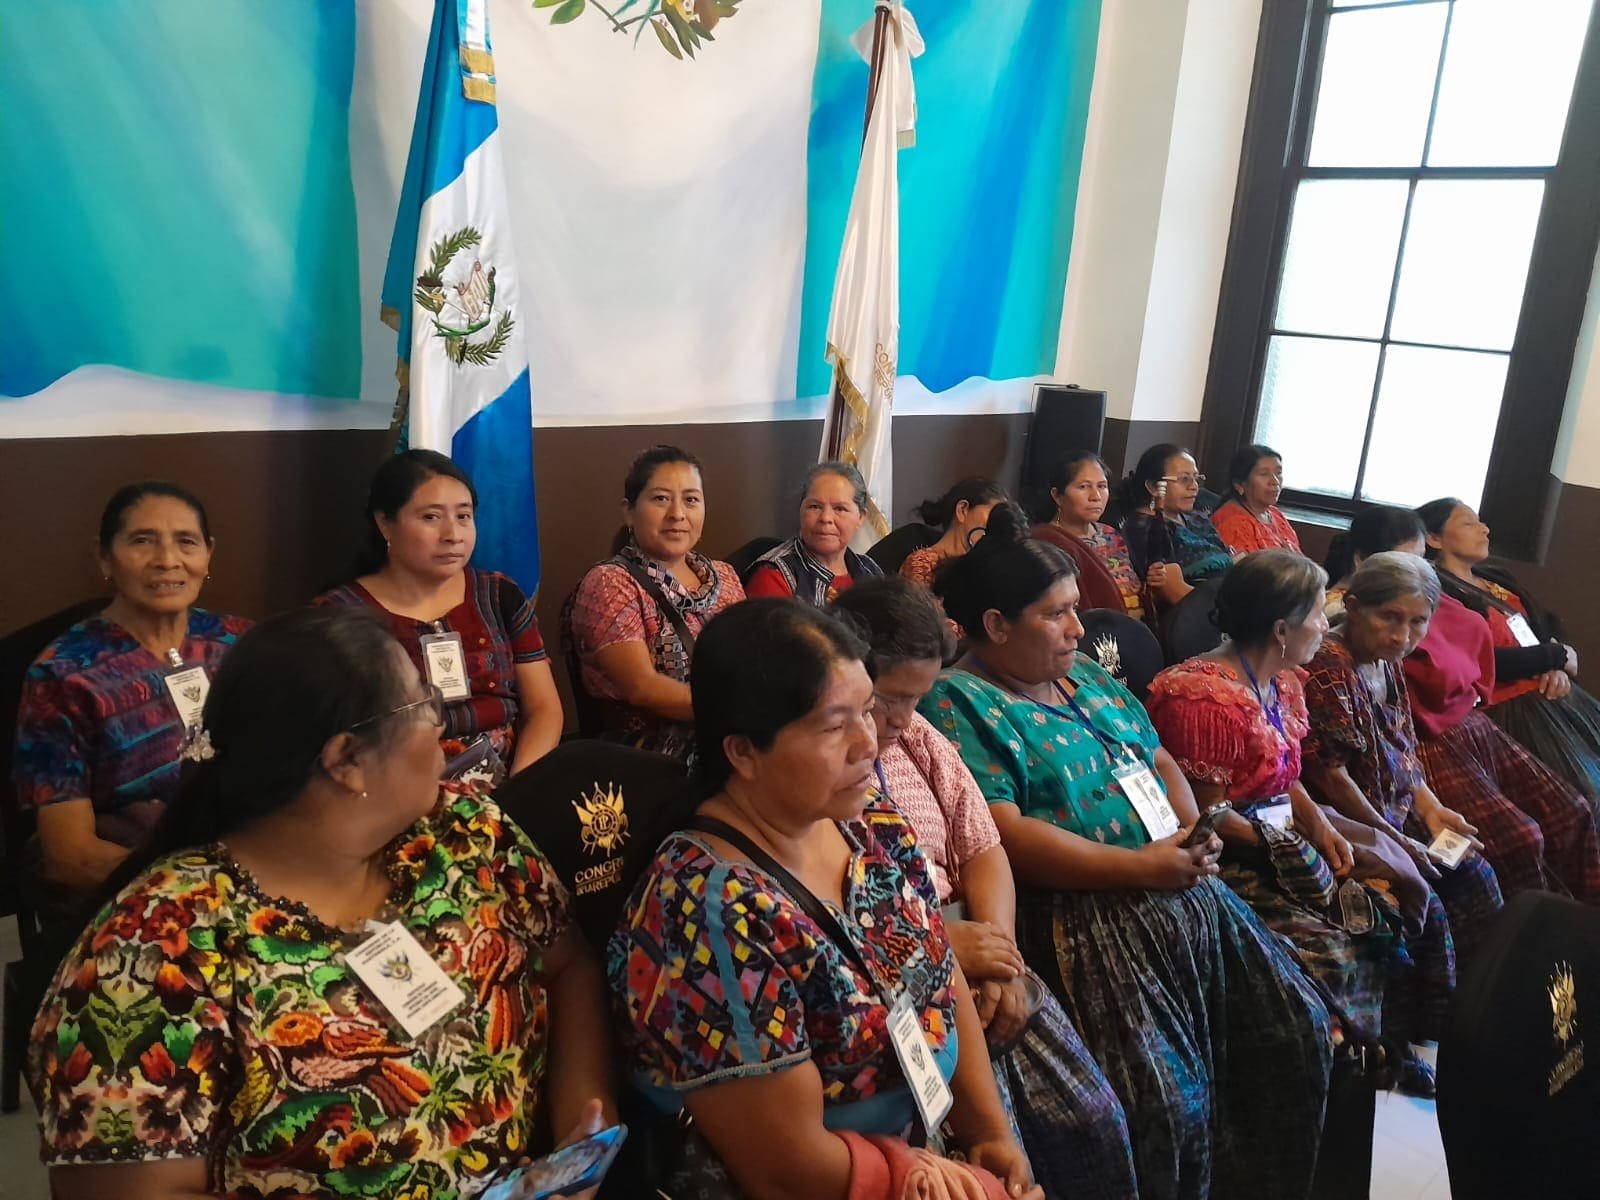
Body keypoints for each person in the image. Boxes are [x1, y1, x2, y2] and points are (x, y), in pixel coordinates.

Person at [28, 607, 615, 1199]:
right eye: (421, 706)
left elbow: (568, 966)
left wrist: (579, 1145)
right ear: (345, 759)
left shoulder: (463, 834)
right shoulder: (154, 951)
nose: (443, 722)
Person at [921, 506, 1332, 1200]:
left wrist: (1182, 831)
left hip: (1181, 883)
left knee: (1295, 1030)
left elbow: (1160, 757)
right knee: (1167, 1107)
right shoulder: (956, 703)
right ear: (995, 626)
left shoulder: (1087, 674)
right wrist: (1143, 865)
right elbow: (1004, 834)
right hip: (1091, 921)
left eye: (1076, 610)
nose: (1080, 630)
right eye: (1057, 615)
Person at [608, 599, 1040, 1200]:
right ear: (743, 752)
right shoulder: (710, 908)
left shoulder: (872, 825)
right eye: (836, 725)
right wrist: (925, 1175)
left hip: (916, 1145)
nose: (870, 743)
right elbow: (785, 1170)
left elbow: (939, 976)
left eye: (870, 710)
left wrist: (987, 1130)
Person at [832, 578, 1137, 1200]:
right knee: (1001, 1155)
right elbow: (832, 904)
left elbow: (984, 848)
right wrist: (943, 946)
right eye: (887, 699)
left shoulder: (920, 741)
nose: (899, 720)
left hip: (976, 944)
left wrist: (998, 954)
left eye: (916, 699)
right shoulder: (829, 768)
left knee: (1095, 1118)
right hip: (902, 971)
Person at [1146, 550, 1448, 1094]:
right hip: (1232, 858)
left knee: (1393, 894)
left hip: (1278, 835)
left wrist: (1323, 829)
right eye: (1317, 612)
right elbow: (1208, 818)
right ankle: (1330, 1060)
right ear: (1282, 629)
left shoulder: (1285, 682)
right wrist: (1292, 845)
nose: (1325, 623)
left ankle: (1386, 1043)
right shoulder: (1198, 696)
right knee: (1336, 938)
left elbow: (1286, 778)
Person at [14, 482, 250, 917]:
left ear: (208, 554)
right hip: (128, 897)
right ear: (105, 557)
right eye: (142, 541)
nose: (166, 560)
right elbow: (71, 858)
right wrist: (205, 885)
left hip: (241, 867)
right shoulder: (63, 675)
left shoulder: (238, 642)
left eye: (186, 542)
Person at [1300, 553, 1504, 976]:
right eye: (1389, 617)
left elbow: (1404, 747)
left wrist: (1430, 807)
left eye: (1417, 622)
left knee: (1476, 870)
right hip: (1346, 824)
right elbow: (1331, 778)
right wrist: (1395, 839)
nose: (1403, 636)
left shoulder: (1387, 661)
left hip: (1393, 813)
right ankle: (1430, 1026)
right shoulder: (1330, 668)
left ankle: (1482, 998)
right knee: (1440, 894)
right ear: (1354, 607)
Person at [317, 450, 562, 780]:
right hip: (396, 795)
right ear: (385, 523)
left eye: (464, 517)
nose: (453, 535)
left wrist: (519, 791)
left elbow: (544, 710)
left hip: (511, 784)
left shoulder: (499, 595)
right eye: (431, 517)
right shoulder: (338, 615)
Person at [1417, 497, 1600, 808]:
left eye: (1481, 521)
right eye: (1468, 523)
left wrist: (1556, 666)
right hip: (1509, 710)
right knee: (1581, 796)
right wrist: (1555, 656)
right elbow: (1477, 662)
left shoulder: (1496, 579)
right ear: (1434, 539)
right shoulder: (1437, 590)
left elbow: (1543, 624)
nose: (1484, 529)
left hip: (1550, 694)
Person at [567, 446, 744, 759]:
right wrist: (739, 714)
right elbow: (641, 686)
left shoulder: (725, 575)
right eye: (661, 498)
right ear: (629, 512)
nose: (677, 514)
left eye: (691, 499)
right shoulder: (611, 582)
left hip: (731, 737)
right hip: (649, 755)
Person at [744, 461, 884, 603]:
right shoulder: (774, 575)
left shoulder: (870, 571)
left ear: (860, 518)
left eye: (840, 509)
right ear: (800, 510)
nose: (826, 518)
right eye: (815, 506)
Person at [1029, 451, 1146, 620]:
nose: (1096, 496)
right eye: (1083, 487)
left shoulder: (1111, 534)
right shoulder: (1046, 541)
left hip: (1135, 631)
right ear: (1057, 495)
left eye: (1102, 486)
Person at [1118, 444, 1233, 612]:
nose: (1194, 486)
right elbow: (1174, 592)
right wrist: (1232, 614)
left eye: (1196, 478)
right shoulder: (1145, 529)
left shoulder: (1196, 517)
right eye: (1184, 479)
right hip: (1199, 617)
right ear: (1153, 487)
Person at [1321, 505, 1431, 621]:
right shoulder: (1339, 609)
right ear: (1361, 560)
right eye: (1403, 562)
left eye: (1421, 559)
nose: (1418, 570)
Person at [898, 478, 1007, 588]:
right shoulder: (922, 565)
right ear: (962, 510)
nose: (998, 523)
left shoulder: (986, 567)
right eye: (994, 514)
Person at [1210, 444, 1302, 554]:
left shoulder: (1274, 513)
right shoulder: (1232, 523)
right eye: (1264, 474)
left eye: (1278, 473)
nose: (1275, 481)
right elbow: (1249, 569)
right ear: (1239, 485)